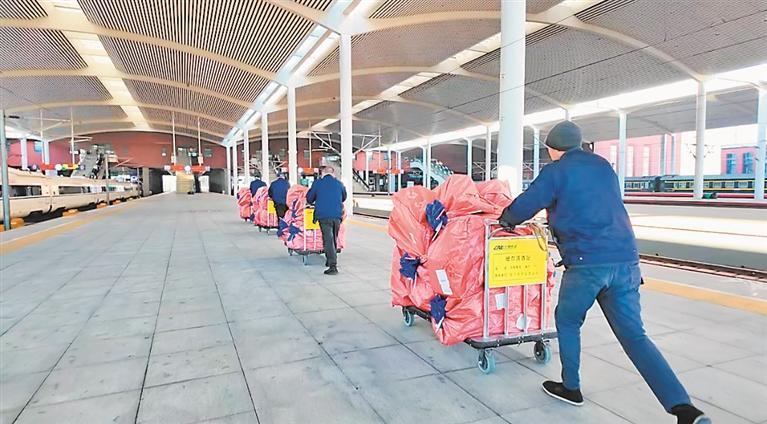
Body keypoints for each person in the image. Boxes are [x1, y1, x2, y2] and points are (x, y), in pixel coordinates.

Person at [498, 121, 708, 424]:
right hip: (626, 262)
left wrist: (506, 220)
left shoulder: (556, 170)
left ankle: (571, 387)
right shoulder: (603, 166)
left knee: (568, 320)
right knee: (635, 337)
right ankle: (684, 408)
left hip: (587, 263)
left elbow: (529, 203)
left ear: (552, 148)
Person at [306, 165, 346, 275]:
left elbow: (309, 198)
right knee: (334, 238)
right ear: (333, 174)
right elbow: (344, 197)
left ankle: (333, 266)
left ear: (322, 174)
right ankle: (330, 259)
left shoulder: (318, 183)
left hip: (324, 216)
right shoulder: (339, 183)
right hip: (337, 215)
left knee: (328, 239)